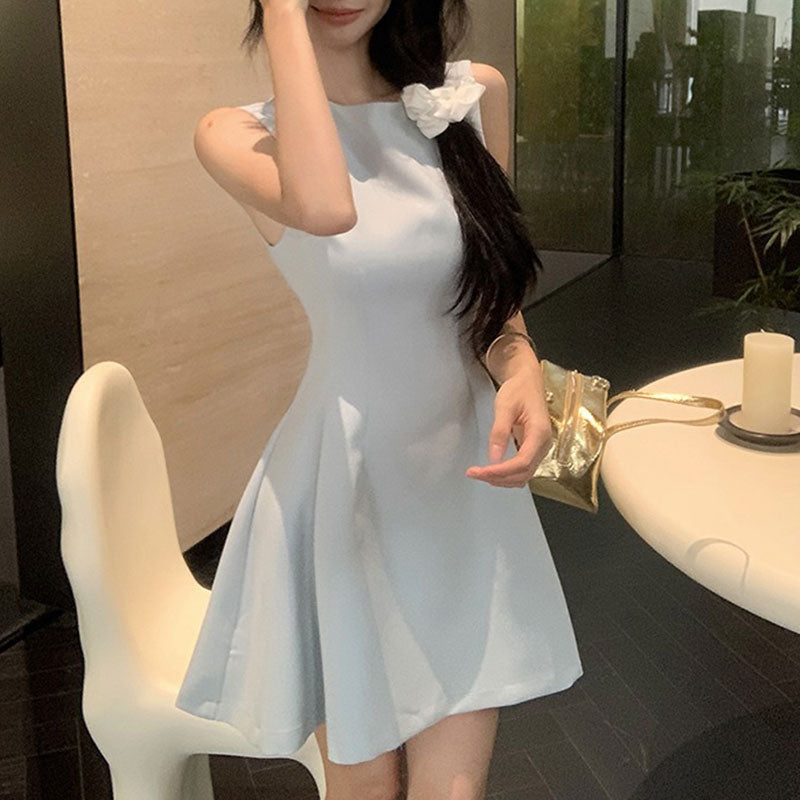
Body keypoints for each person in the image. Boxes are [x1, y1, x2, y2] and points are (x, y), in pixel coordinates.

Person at [174, 1, 584, 798]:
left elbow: (490, 302)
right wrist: (284, 15)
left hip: (461, 495)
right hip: (345, 497)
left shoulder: (470, 97)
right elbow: (327, 208)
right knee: (361, 788)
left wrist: (521, 364)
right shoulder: (234, 134)